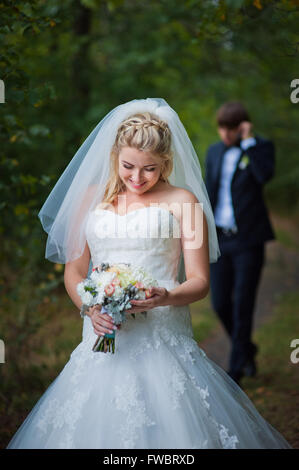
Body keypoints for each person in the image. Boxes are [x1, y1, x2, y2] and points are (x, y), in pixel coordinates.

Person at [6, 98, 291, 449]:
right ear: (114, 156)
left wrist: (167, 296)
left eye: (150, 169)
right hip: (101, 337)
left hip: (163, 334)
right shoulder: (88, 199)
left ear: (166, 163)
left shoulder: (186, 203)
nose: (137, 178)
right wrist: (91, 307)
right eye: (128, 166)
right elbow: (76, 271)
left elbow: (200, 281)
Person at [204, 101, 276, 386]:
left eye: (231, 129)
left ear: (242, 127)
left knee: (243, 304)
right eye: (222, 128)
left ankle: (235, 371)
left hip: (249, 240)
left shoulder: (260, 148)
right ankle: (246, 348)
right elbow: (208, 189)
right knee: (220, 302)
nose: (225, 134)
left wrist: (249, 142)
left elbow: (263, 176)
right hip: (221, 238)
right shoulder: (213, 151)